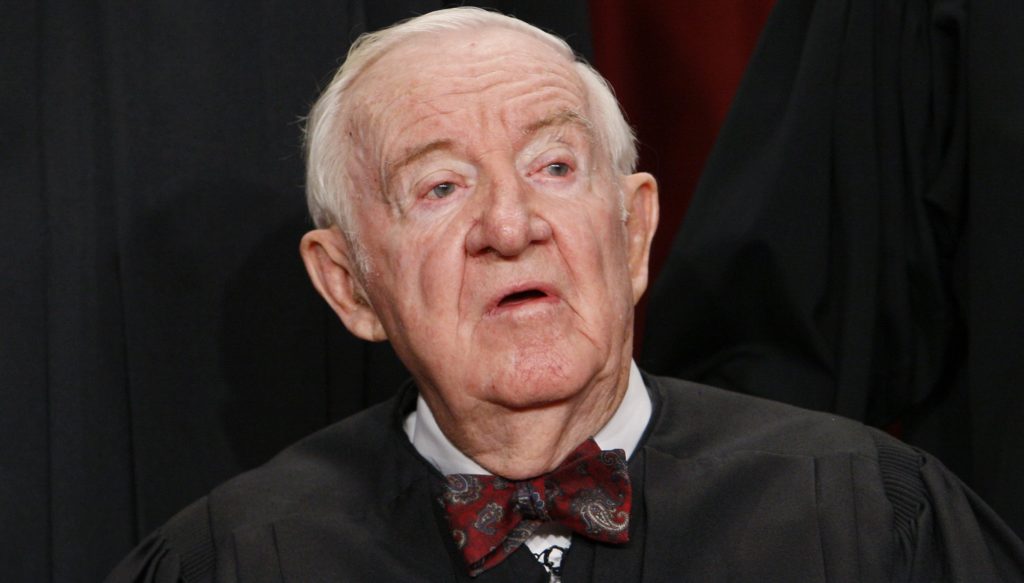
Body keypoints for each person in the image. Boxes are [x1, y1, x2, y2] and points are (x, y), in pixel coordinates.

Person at [106, 7, 1024, 582]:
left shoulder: (870, 516)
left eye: (553, 166)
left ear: (632, 231)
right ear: (350, 284)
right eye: (440, 186)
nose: (511, 225)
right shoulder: (232, 560)